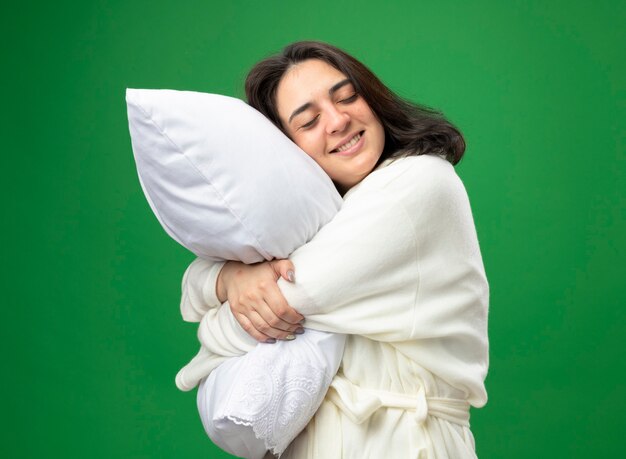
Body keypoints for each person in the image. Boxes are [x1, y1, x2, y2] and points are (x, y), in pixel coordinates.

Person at [179, 41, 489, 458]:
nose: (339, 120)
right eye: (309, 122)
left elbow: (288, 302)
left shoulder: (418, 182)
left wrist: (212, 332)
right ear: (284, 149)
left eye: (347, 97)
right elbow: (200, 277)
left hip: (401, 442)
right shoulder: (320, 220)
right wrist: (230, 277)